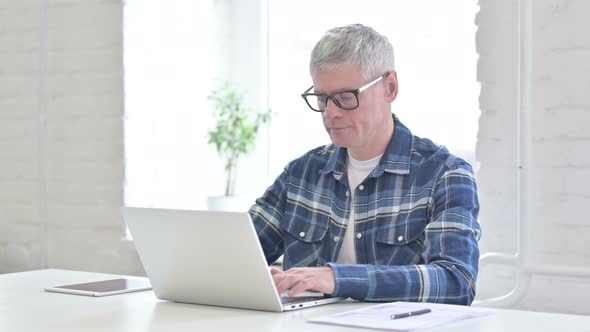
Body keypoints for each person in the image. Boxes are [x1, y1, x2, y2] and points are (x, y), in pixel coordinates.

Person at [248, 24, 481, 305]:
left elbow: (456, 283)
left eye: (346, 98)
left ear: (390, 87)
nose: (330, 113)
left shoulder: (445, 174)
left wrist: (336, 278)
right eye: (322, 99)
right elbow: (236, 256)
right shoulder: (300, 174)